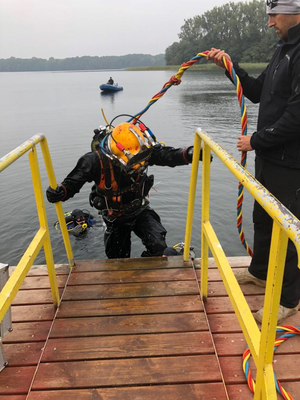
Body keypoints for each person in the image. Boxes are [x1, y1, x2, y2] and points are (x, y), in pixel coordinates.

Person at [207, 0, 300, 324]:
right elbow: (259, 92)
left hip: (292, 164)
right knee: (262, 217)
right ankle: (260, 272)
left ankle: (288, 300)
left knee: (286, 231)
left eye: (274, 15)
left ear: (294, 12)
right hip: (270, 157)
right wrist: (231, 67)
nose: (270, 22)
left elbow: (297, 116)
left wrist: (256, 140)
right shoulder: (283, 49)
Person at [46, 120, 203, 259]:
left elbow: (166, 155)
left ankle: (148, 270)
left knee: (158, 246)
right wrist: (60, 191)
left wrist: (190, 154)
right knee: (117, 260)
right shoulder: (94, 160)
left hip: (140, 209)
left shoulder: (141, 150)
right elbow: (73, 181)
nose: (140, 166)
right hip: (115, 217)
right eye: (134, 162)